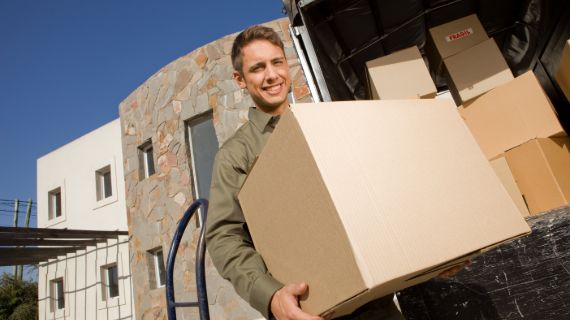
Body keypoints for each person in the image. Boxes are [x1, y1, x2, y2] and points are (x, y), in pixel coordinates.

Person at [206, 25, 460, 320]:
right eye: (258, 68)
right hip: (314, 308)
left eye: (277, 62)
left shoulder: (328, 122)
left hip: (380, 306)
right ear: (240, 79)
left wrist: (437, 251)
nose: (272, 75)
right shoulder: (236, 155)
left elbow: (378, 193)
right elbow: (224, 237)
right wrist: (272, 296)